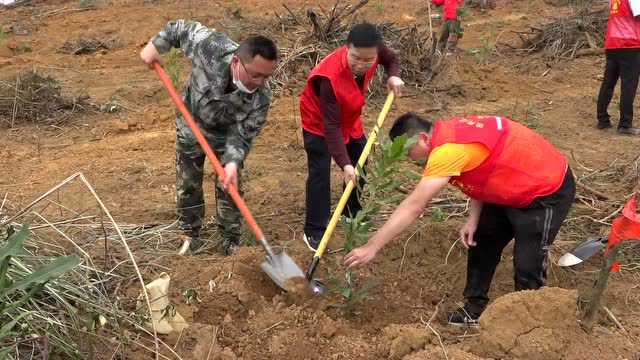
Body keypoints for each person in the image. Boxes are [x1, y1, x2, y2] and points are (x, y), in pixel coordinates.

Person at [344, 113, 576, 326]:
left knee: (527, 263)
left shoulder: (447, 151)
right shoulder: (449, 132)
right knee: (482, 239)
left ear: (424, 138)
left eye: (408, 151)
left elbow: (413, 206)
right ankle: (474, 309)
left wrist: (371, 247)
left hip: (545, 190)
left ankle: (527, 326)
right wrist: (474, 218)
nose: (408, 159)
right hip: (507, 185)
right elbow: (483, 166)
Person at [140, 20, 278, 255]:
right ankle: (190, 233)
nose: (260, 83)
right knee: (188, 181)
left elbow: (243, 134)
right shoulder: (212, 48)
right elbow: (179, 29)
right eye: (255, 75)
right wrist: (156, 46)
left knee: (230, 185)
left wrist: (233, 162)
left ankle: (230, 239)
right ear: (237, 62)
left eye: (266, 76)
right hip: (191, 122)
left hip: (226, 136)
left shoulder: (261, 97)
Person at [299, 22, 405, 251]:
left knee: (362, 160)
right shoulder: (329, 78)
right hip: (319, 123)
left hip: (349, 118)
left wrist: (393, 76)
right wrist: (344, 164)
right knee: (320, 172)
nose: (361, 65)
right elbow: (331, 127)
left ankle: (350, 211)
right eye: (356, 58)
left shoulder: (374, 51)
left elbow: (391, 60)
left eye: (368, 61)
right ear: (347, 48)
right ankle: (314, 230)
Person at [596, 0, 640, 135]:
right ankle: (625, 124)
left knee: (608, 82)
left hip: (612, 43)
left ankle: (602, 120)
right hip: (630, 44)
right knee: (629, 85)